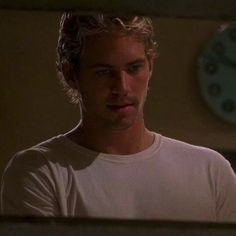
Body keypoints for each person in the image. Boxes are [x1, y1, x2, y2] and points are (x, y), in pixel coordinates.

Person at [1, 11, 236, 222]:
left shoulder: (210, 171)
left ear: (151, 66)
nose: (122, 87)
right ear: (71, 74)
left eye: (134, 68)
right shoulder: (41, 172)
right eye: (104, 72)